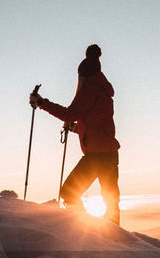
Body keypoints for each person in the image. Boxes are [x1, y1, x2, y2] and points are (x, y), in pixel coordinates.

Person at [29, 44, 121, 224]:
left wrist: (41, 103)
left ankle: (85, 231)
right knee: (110, 200)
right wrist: (75, 128)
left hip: (96, 156)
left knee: (69, 192)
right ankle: (114, 240)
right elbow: (98, 126)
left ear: (83, 75)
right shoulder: (103, 92)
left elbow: (70, 114)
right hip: (108, 154)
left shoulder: (90, 89)